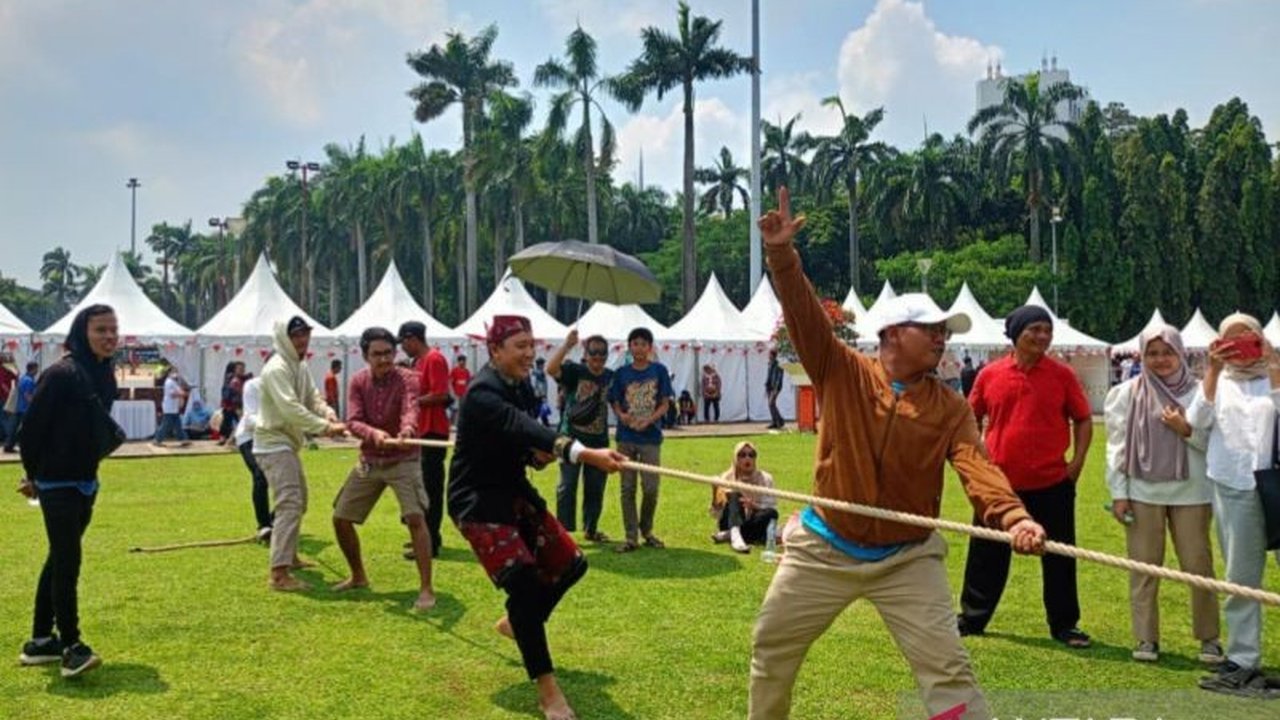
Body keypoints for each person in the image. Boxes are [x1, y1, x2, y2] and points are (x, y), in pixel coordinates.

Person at [749, 188, 1045, 720]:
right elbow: (804, 315)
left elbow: (978, 468)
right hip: (823, 545)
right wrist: (781, 256)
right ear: (891, 335)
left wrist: (1014, 515)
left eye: (943, 333)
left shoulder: (950, 407)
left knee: (948, 671)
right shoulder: (840, 369)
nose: (940, 340)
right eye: (929, 330)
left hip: (908, 557)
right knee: (771, 649)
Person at [448, 314, 625, 720]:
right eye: (520, 346)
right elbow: (517, 425)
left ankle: (520, 623)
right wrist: (583, 453)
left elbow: (526, 438)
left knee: (572, 564)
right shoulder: (481, 393)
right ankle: (549, 694)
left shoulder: (523, 385)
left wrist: (537, 455)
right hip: (477, 501)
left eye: (532, 345)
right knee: (525, 586)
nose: (530, 353)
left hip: (512, 491)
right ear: (495, 351)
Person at [957, 304, 1094, 649]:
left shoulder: (1062, 375)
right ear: (1016, 334)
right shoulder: (990, 374)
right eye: (1034, 329)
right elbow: (970, 419)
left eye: (1047, 330)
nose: (1042, 336)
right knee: (985, 555)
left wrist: (1076, 463)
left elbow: (1083, 419)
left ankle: (1065, 625)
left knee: (1060, 556)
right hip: (1000, 486)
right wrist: (981, 465)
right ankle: (972, 619)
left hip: (1052, 483)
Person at [1103, 325, 1222, 665]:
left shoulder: (1201, 392)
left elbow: (1212, 443)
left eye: (1167, 352)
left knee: (1198, 567)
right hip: (1142, 493)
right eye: (1153, 353)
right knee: (1143, 568)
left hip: (1192, 492)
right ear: (1142, 356)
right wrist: (1119, 493)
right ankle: (1145, 638)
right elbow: (1117, 448)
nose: (1161, 360)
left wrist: (1185, 430)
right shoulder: (1126, 393)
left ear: (1180, 352)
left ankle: (1209, 639)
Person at [16, 304, 119, 678]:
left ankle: (42, 641)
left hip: (86, 480)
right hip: (56, 482)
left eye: (113, 330)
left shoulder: (106, 376)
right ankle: (72, 647)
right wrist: (32, 474)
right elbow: (31, 430)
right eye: (100, 330)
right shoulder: (60, 374)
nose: (109, 337)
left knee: (58, 558)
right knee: (68, 561)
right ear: (82, 332)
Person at [1189, 313, 1280, 696]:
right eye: (1231, 340)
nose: (1241, 347)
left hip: (1275, 481)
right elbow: (1197, 421)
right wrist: (1211, 370)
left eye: (1249, 339)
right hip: (1233, 483)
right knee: (1240, 577)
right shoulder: (1218, 382)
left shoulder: (1273, 375)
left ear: (1261, 339)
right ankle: (1243, 658)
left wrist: (1274, 368)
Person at [331, 327, 436, 611]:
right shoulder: (357, 382)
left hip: (403, 459)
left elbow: (411, 408)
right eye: (377, 354)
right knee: (341, 518)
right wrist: (373, 433)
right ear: (365, 356)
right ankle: (358, 576)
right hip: (369, 460)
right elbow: (352, 420)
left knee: (415, 519)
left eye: (388, 353)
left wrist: (407, 429)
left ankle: (426, 589)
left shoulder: (409, 379)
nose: (384, 359)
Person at [254, 316, 347, 592]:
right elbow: (290, 409)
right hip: (272, 444)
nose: (302, 340)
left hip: (287, 443)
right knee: (290, 503)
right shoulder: (276, 368)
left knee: (299, 501)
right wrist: (325, 428)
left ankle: (289, 557)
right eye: (296, 335)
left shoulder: (300, 365)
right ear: (285, 337)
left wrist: (327, 412)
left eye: (305, 334)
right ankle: (278, 574)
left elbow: (312, 398)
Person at [608, 327, 673, 553]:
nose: (639, 348)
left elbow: (665, 403)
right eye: (635, 343)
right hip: (626, 437)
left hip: (650, 438)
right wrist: (622, 416)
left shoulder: (659, 371)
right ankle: (630, 537)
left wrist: (650, 420)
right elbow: (614, 400)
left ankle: (647, 530)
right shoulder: (621, 373)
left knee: (651, 488)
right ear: (629, 347)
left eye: (643, 343)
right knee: (627, 488)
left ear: (650, 347)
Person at [547, 330, 615, 543]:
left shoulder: (610, 377)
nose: (598, 358)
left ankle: (591, 529)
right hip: (569, 438)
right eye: (593, 352)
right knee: (567, 486)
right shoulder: (574, 371)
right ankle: (563, 533)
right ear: (585, 353)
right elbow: (551, 369)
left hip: (598, 441)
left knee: (595, 488)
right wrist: (567, 345)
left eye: (602, 353)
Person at [398, 321, 452, 559]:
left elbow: (441, 394)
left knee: (431, 487)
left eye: (404, 342)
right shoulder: (419, 362)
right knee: (420, 488)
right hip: (421, 430)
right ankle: (423, 538)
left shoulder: (434, 359)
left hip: (433, 430)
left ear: (413, 338)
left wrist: (413, 403)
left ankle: (431, 542)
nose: (403, 348)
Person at [710, 441, 779, 554]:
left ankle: (730, 534)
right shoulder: (726, 477)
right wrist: (714, 491)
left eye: (751, 455)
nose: (747, 459)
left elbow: (771, 506)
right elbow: (715, 514)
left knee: (772, 514)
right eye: (742, 455)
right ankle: (735, 535)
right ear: (735, 458)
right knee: (735, 495)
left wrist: (754, 506)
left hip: (753, 521)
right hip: (729, 521)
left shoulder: (765, 478)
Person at [234, 372, 274, 542]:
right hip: (249, 437)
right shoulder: (252, 385)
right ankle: (264, 525)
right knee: (260, 475)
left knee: (291, 485)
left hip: (274, 439)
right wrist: (270, 424)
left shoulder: (288, 386)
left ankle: (275, 520)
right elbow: (249, 417)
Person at [4, 361, 38, 453]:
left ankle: (9, 445)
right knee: (23, 429)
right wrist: (34, 405)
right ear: (33, 369)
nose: (37, 371)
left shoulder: (23, 378)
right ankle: (13, 445)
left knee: (16, 428)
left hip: (19, 407)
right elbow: (27, 395)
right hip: (25, 408)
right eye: (36, 369)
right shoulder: (29, 380)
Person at [153, 366, 190, 447]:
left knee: (178, 425)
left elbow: (179, 390)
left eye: (176, 371)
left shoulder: (174, 382)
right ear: (169, 373)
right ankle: (157, 439)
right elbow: (172, 394)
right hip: (169, 408)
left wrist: (184, 392)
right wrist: (182, 394)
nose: (175, 373)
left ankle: (183, 439)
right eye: (174, 372)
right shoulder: (169, 382)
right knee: (166, 425)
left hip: (174, 408)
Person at [219, 361, 245, 446]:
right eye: (239, 369)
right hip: (231, 403)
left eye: (243, 369)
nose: (242, 370)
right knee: (228, 420)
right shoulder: (231, 378)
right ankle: (224, 438)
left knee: (239, 421)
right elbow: (229, 391)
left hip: (237, 403)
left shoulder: (241, 378)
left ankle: (230, 439)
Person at [765, 350, 785, 430]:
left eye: (769, 355)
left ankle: (780, 421)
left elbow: (779, 378)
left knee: (771, 403)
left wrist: (776, 388)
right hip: (770, 387)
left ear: (773, 355)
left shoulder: (778, 365)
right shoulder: (770, 364)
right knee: (771, 405)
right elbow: (769, 376)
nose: (768, 356)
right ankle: (776, 422)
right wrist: (767, 385)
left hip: (775, 387)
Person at [531, 357, 551, 426]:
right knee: (538, 412)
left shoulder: (539, 372)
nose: (543, 365)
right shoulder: (538, 372)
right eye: (542, 364)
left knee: (542, 412)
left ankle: (545, 425)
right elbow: (537, 384)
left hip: (540, 395)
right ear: (539, 364)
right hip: (538, 396)